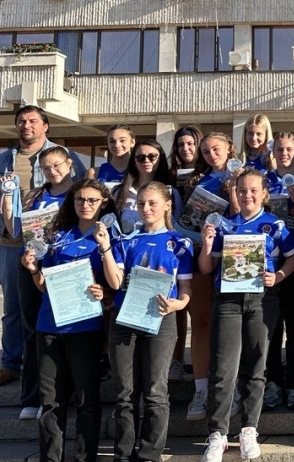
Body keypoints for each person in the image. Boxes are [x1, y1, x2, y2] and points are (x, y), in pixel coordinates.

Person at [0, 106, 86, 414]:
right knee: (14, 308)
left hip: (54, 247)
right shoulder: (3, 158)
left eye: (32, 121)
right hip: (13, 242)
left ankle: (61, 371)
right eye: (21, 121)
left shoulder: (63, 155)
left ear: (45, 125)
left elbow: (79, 192)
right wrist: (9, 219)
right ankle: (10, 364)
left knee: (56, 307)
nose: (25, 125)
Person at [198, 170, 294, 462]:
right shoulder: (223, 225)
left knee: (256, 367)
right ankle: (217, 434)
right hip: (227, 299)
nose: (247, 195)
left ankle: (248, 430)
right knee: (223, 369)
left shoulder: (274, 225)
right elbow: (206, 268)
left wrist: (278, 275)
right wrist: (207, 244)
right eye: (242, 190)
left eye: (253, 190)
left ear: (264, 193)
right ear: (235, 192)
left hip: (262, 299)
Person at [20, 179, 115, 462]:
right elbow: (43, 286)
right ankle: (50, 458)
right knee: (51, 402)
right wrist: (34, 270)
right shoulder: (57, 236)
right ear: (71, 202)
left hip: (86, 327)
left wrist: (104, 291)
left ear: (103, 203)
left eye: (92, 200)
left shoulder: (107, 237)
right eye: (79, 200)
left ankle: (85, 458)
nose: (85, 205)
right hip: (49, 326)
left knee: (87, 401)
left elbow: (114, 283)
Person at [106, 182, 193, 462]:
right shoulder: (126, 240)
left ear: (167, 204)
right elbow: (116, 281)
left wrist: (177, 305)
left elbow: (186, 292)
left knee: (156, 391)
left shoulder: (180, 243)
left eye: (152, 203)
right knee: (124, 393)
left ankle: (150, 454)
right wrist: (106, 249)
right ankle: (123, 453)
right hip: (125, 319)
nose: (146, 209)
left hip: (160, 320)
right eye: (141, 203)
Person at [181, 132, 240, 421]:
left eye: (216, 148)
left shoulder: (245, 176)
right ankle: (201, 389)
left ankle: (234, 386)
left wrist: (233, 187)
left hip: (236, 257)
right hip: (204, 255)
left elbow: (245, 216)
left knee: (234, 325)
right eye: (205, 151)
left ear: (229, 148)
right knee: (202, 323)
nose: (210, 154)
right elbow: (187, 222)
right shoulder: (197, 182)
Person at [262, 132, 294, 411]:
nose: (284, 153)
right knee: (270, 326)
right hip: (269, 261)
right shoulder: (263, 179)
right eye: (279, 148)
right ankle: (272, 383)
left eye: (289, 149)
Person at [167, 125, 202, 383]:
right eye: (181, 145)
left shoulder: (207, 174)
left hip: (201, 248)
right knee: (174, 305)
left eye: (190, 143)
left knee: (199, 311)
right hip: (173, 245)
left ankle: (203, 363)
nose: (186, 149)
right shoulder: (169, 176)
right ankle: (176, 359)